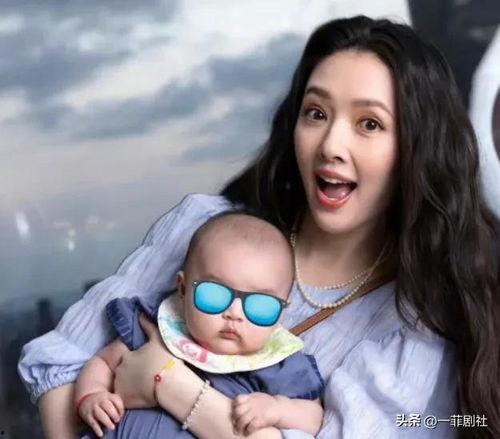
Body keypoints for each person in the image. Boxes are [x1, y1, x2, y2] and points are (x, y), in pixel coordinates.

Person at [19, 15, 500, 439]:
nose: (331, 144)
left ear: (415, 149)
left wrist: (166, 382)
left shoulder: (415, 328)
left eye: (369, 124)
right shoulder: (204, 227)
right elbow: (58, 363)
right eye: (316, 113)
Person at [75, 213, 324, 438]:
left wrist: (277, 409)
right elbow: (103, 362)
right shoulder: (157, 329)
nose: (234, 313)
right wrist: (92, 395)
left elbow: (312, 417)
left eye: (261, 305)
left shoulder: (277, 365)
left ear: (281, 313)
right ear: (183, 289)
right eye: (214, 294)